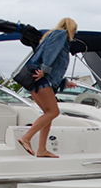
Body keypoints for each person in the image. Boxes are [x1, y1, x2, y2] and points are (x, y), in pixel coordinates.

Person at [18, 18, 78, 158]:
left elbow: (54, 63)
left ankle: (42, 149)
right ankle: (26, 138)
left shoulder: (50, 35)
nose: (75, 33)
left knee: (48, 114)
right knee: (53, 112)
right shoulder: (61, 34)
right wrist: (44, 69)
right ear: (71, 28)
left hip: (36, 80)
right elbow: (51, 53)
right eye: (75, 30)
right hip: (42, 79)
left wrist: (64, 82)